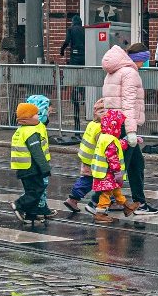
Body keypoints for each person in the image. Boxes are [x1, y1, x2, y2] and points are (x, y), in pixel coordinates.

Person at [100, 42, 150, 211]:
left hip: (113, 123)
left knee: (137, 164)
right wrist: (131, 131)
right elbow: (128, 104)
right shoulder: (130, 73)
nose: (145, 64)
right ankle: (98, 201)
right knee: (120, 166)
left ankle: (139, 202)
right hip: (124, 125)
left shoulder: (114, 71)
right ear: (139, 59)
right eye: (144, 60)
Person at [10, 100, 52, 227]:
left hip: (24, 167)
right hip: (31, 167)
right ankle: (19, 204)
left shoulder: (24, 129)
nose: (38, 116)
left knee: (32, 189)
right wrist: (45, 168)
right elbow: (37, 152)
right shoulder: (31, 132)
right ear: (28, 117)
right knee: (37, 190)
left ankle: (31, 214)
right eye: (35, 114)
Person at [63, 98, 109, 216]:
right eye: (103, 112)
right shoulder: (100, 128)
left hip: (86, 157)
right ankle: (75, 199)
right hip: (94, 160)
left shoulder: (92, 124)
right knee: (92, 181)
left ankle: (74, 199)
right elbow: (103, 145)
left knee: (88, 179)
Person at [92, 109, 135, 222]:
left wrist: (126, 142)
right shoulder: (110, 140)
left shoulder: (105, 136)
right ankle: (100, 213)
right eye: (120, 127)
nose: (120, 130)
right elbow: (112, 157)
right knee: (106, 194)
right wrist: (117, 172)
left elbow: (118, 145)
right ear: (114, 127)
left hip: (104, 172)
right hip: (108, 173)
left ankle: (127, 207)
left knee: (115, 190)